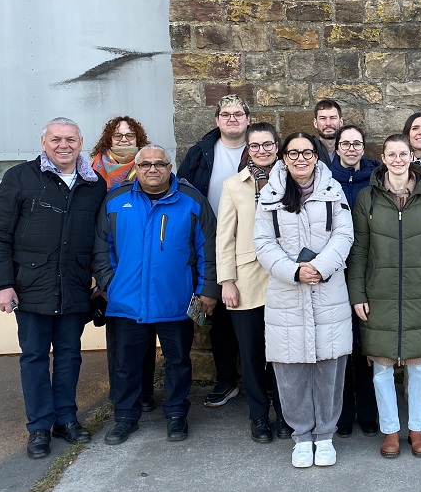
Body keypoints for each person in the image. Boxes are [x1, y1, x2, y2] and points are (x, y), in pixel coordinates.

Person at [0, 117, 107, 459]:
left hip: (75, 285)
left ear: (81, 143)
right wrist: (1, 284)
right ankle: (39, 426)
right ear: (44, 143)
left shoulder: (94, 183)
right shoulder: (20, 178)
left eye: (70, 139)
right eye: (56, 139)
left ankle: (65, 418)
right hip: (30, 285)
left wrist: (100, 283)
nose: (63, 145)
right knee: (35, 357)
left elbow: (101, 239)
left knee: (69, 355)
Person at [94, 145, 218, 445]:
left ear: (170, 166)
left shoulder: (192, 201)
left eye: (159, 164)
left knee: (178, 361)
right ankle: (125, 417)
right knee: (126, 365)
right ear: (136, 167)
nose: (153, 169)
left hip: (176, 300)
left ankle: (176, 414)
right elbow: (101, 248)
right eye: (146, 164)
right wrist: (110, 285)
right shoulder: (116, 200)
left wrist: (207, 290)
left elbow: (209, 250)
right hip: (127, 302)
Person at [347, 135, 421, 458]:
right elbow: (359, 250)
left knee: (419, 368)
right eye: (391, 154)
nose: (397, 159)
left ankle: (416, 429)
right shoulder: (368, 198)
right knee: (382, 367)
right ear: (383, 157)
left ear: (411, 157)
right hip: (379, 292)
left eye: (402, 153)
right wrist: (357, 293)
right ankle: (390, 431)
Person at [254, 133, 354, 468]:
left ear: (316, 156)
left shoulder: (333, 189)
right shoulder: (270, 195)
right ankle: (301, 436)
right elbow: (264, 243)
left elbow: (344, 234)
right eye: (293, 153)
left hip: (328, 292)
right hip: (287, 293)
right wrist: (294, 272)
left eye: (307, 152)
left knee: (329, 367)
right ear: (283, 156)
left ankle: (325, 435)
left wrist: (320, 267)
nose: (300, 158)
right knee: (291, 369)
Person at [217, 122, 290, 443]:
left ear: (277, 146)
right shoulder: (234, 185)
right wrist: (226, 281)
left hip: (284, 279)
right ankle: (259, 417)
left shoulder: (293, 179)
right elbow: (224, 237)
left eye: (268, 145)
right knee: (251, 355)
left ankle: (286, 414)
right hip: (246, 281)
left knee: (283, 354)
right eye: (255, 145)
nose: (262, 151)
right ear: (248, 148)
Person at [179, 94, 249, 409]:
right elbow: (183, 192)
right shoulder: (200, 153)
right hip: (211, 240)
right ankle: (226, 381)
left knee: (258, 315)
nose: (232, 118)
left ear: (248, 119)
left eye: (238, 113)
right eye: (225, 114)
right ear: (217, 120)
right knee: (217, 315)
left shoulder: (260, 148)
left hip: (252, 242)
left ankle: (261, 381)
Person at [89, 115, 158, 411]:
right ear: (108, 139)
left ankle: (143, 394)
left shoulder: (151, 169)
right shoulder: (92, 172)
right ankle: (121, 396)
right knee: (119, 337)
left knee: (143, 334)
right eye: (118, 136)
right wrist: (102, 278)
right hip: (107, 262)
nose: (124, 139)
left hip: (143, 262)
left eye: (130, 135)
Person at [330, 125, 380, 436]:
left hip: (369, 269)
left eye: (357, 143)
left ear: (363, 147)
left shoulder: (375, 179)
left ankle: (368, 412)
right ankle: (343, 412)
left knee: (367, 344)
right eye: (345, 143)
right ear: (336, 148)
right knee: (341, 346)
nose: (351, 148)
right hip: (336, 271)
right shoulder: (325, 178)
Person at [312, 98, 344, 164]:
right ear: (315, 123)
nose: (328, 123)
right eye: (323, 118)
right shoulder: (308, 151)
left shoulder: (352, 151)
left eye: (333, 118)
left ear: (341, 122)